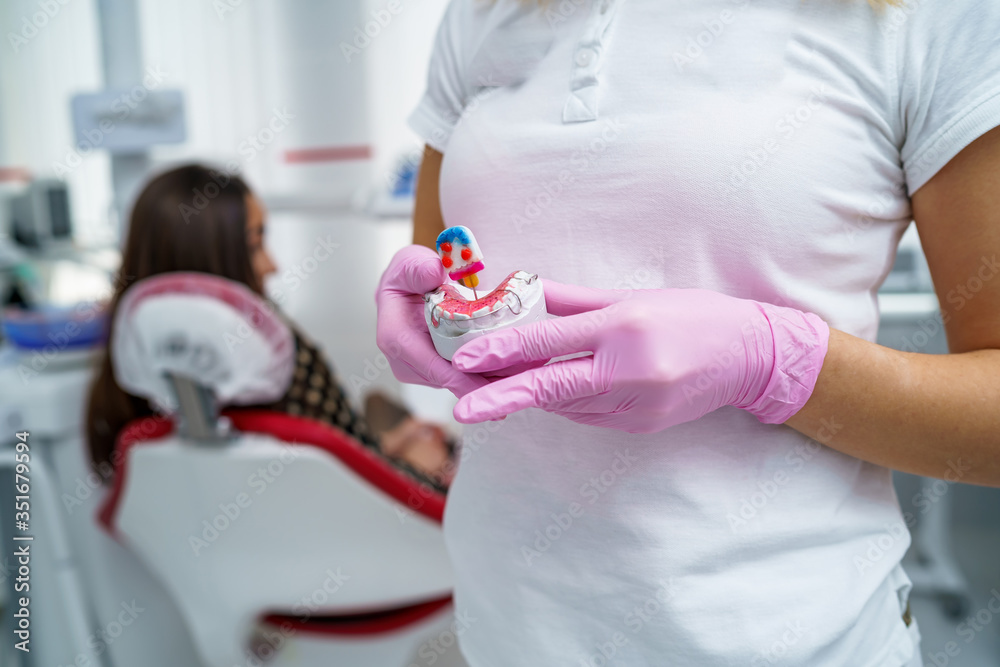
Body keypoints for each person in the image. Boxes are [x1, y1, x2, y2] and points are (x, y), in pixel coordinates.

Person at [374, 0, 1000, 665]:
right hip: (505, 634)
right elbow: (446, 274)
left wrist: (770, 361)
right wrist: (425, 315)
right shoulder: (480, 14)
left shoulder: (931, 16)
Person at [86, 164, 455, 492]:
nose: (272, 265)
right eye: (255, 243)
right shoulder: (275, 356)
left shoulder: (131, 405)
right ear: (209, 258)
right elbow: (349, 479)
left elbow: (327, 457)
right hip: (375, 517)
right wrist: (422, 469)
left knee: (383, 410)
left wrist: (384, 446)